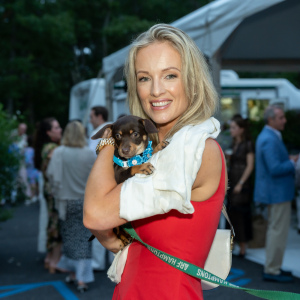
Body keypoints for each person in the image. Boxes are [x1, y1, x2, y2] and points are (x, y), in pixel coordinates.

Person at [83, 24, 227, 299]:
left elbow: (95, 214)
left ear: (192, 81)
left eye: (170, 75)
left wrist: (109, 136)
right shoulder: (156, 150)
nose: (156, 90)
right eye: (144, 78)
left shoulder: (195, 149)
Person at [47, 121, 95, 293]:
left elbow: (51, 176)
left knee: (69, 239)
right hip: (85, 202)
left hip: (65, 202)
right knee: (84, 241)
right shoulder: (89, 154)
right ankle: (81, 277)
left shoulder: (59, 153)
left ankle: (76, 274)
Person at [254, 105, 298, 283]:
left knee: (276, 231)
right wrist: (292, 162)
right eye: (281, 117)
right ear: (270, 119)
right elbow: (275, 168)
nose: (284, 120)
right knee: (277, 232)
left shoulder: (268, 136)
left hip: (276, 193)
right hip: (277, 193)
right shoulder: (269, 139)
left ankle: (274, 267)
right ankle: (272, 270)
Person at [34, 117, 62, 273]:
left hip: (48, 189)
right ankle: (55, 261)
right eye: (56, 128)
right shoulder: (53, 149)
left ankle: (50, 258)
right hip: (55, 191)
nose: (60, 130)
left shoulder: (45, 147)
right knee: (56, 224)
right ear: (49, 132)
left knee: (52, 222)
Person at [227, 114, 254, 257]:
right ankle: (235, 245)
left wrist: (241, 183)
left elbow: (250, 166)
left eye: (233, 128)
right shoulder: (234, 144)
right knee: (232, 214)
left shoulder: (247, 144)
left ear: (241, 129)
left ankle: (243, 247)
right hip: (233, 182)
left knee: (241, 215)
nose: (231, 130)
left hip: (241, 185)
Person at [24, 135, 40, 205]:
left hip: (30, 169)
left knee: (32, 182)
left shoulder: (27, 150)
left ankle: (33, 196)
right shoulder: (36, 149)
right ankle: (38, 195)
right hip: (37, 168)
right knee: (38, 182)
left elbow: (27, 161)